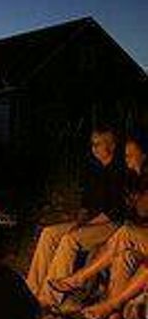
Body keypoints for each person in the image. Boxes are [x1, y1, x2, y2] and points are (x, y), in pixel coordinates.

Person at [48, 139, 148, 319]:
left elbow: (128, 214)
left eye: (130, 155)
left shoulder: (137, 179)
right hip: (131, 234)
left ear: (144, 155)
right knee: (123, 256)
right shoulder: (119, 176)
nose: (126, 160)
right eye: (125, 155)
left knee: (124, 234)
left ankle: (80, 279)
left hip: (124, 230)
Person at [27, 127, 125, 308]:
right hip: (92, 221)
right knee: (49, 233)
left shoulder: (120, 171)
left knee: (70, 239)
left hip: (111, 223)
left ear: (110, 145)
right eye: (92, 144)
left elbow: (114, 211)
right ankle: (31, 291)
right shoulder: (94, 170)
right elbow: (86, 204)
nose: (93, 148)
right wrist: (80, 221)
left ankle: (49, 298)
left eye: (98, 144)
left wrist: (82, 227)